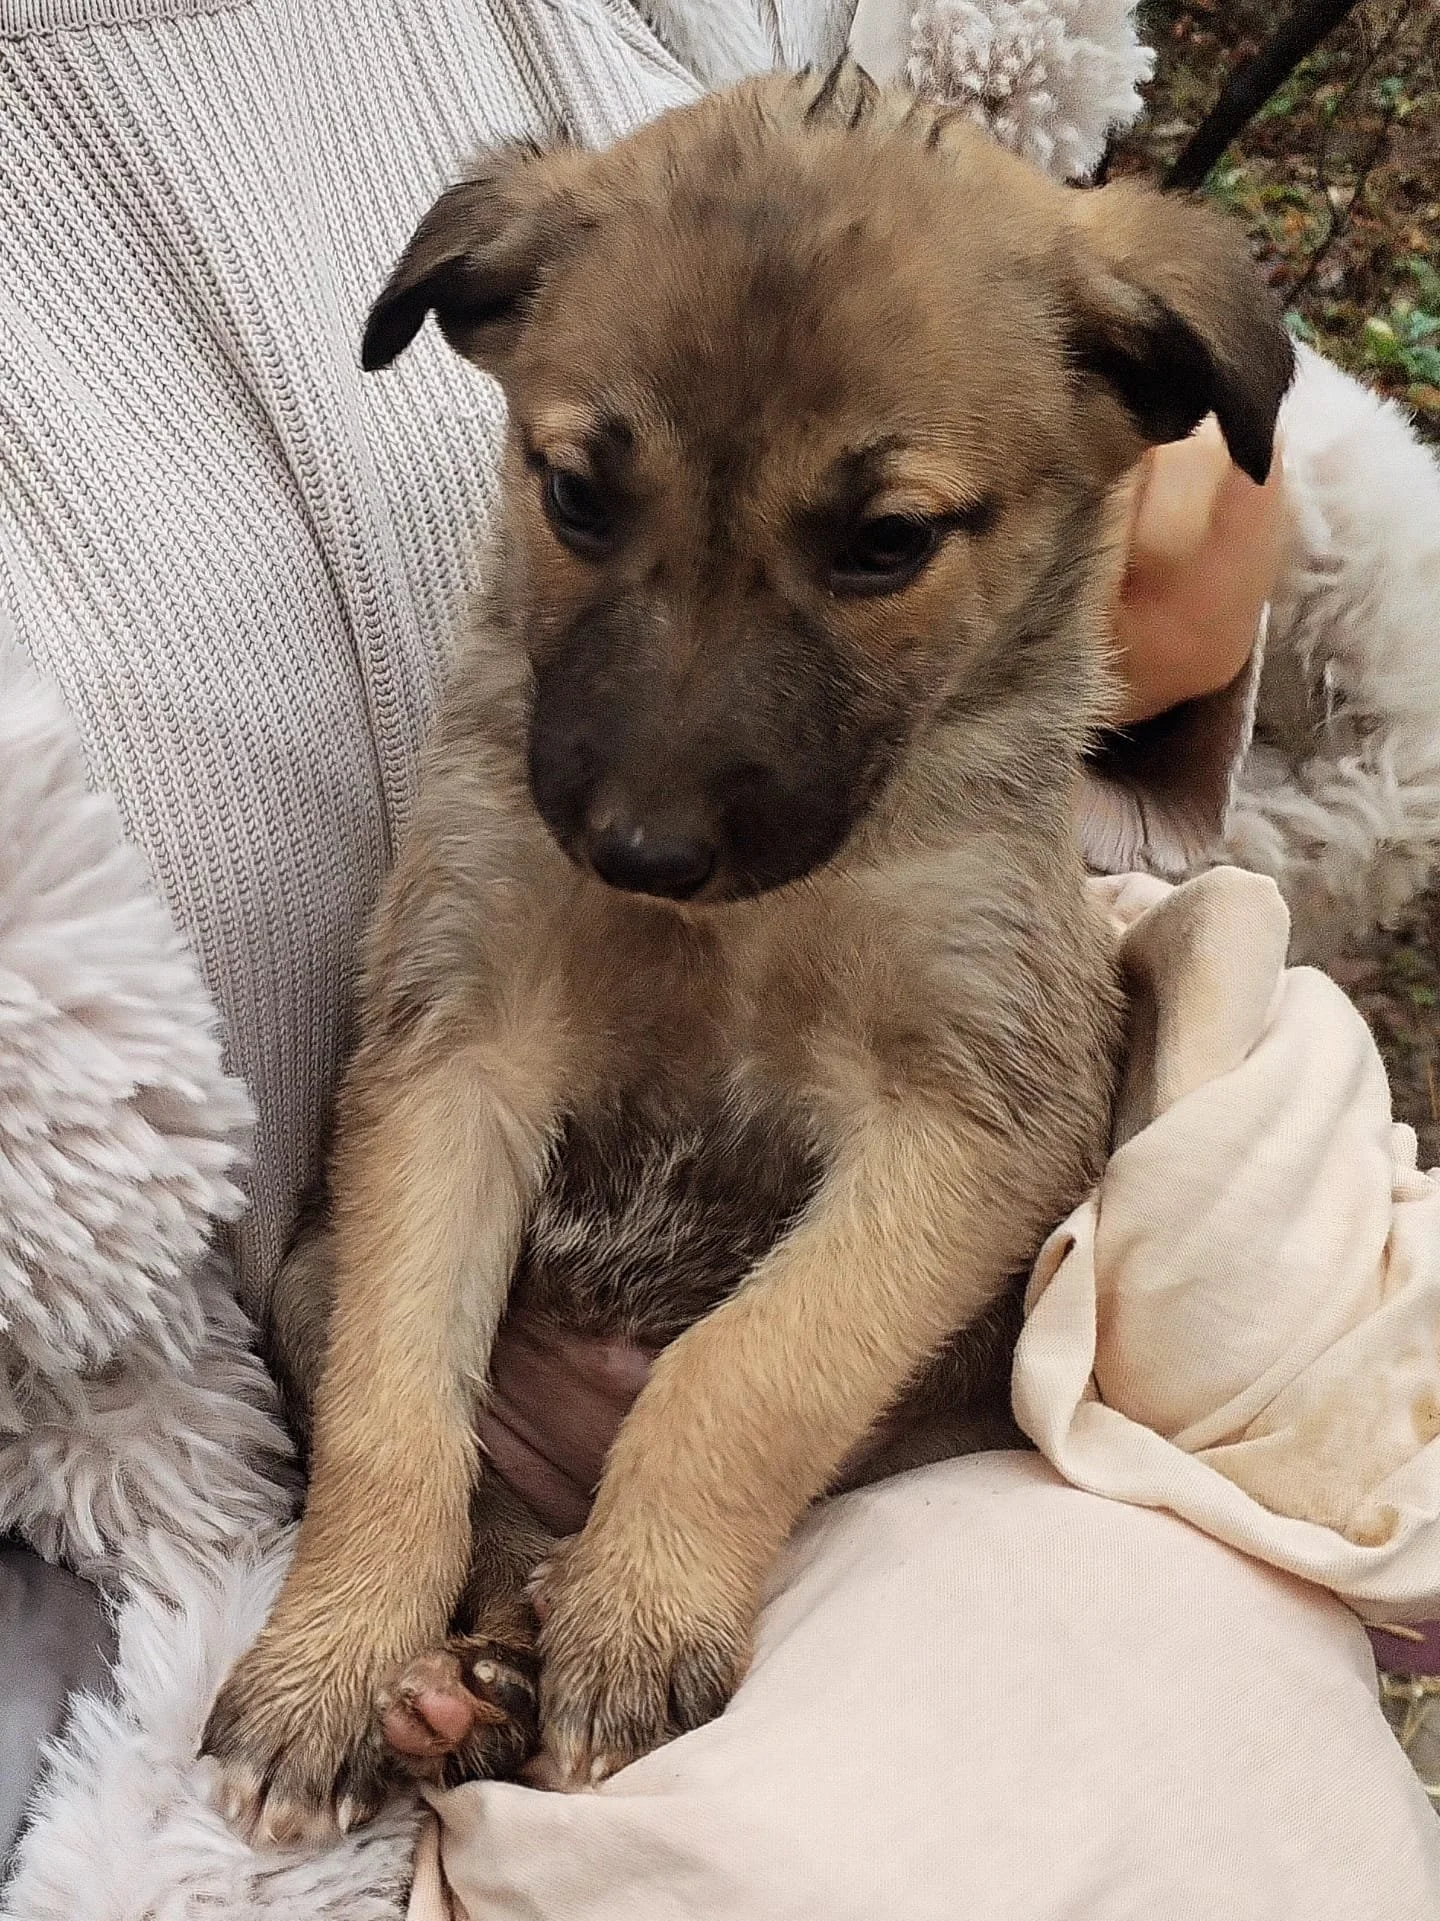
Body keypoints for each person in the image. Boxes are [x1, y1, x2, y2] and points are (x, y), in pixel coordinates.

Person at [0, 0, 1434, 1908]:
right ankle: (476, 1629)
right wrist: (374, 1549)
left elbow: (972, 1132)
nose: (649, 809)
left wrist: (693, 1492)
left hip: (881, 1483)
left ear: (1132, 394)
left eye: (875, 548)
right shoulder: (558, 281)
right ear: (485, 330)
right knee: (370, 1260)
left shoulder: (1056, 328)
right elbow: (455, 1072)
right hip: (311, 1484)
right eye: (591, 506)